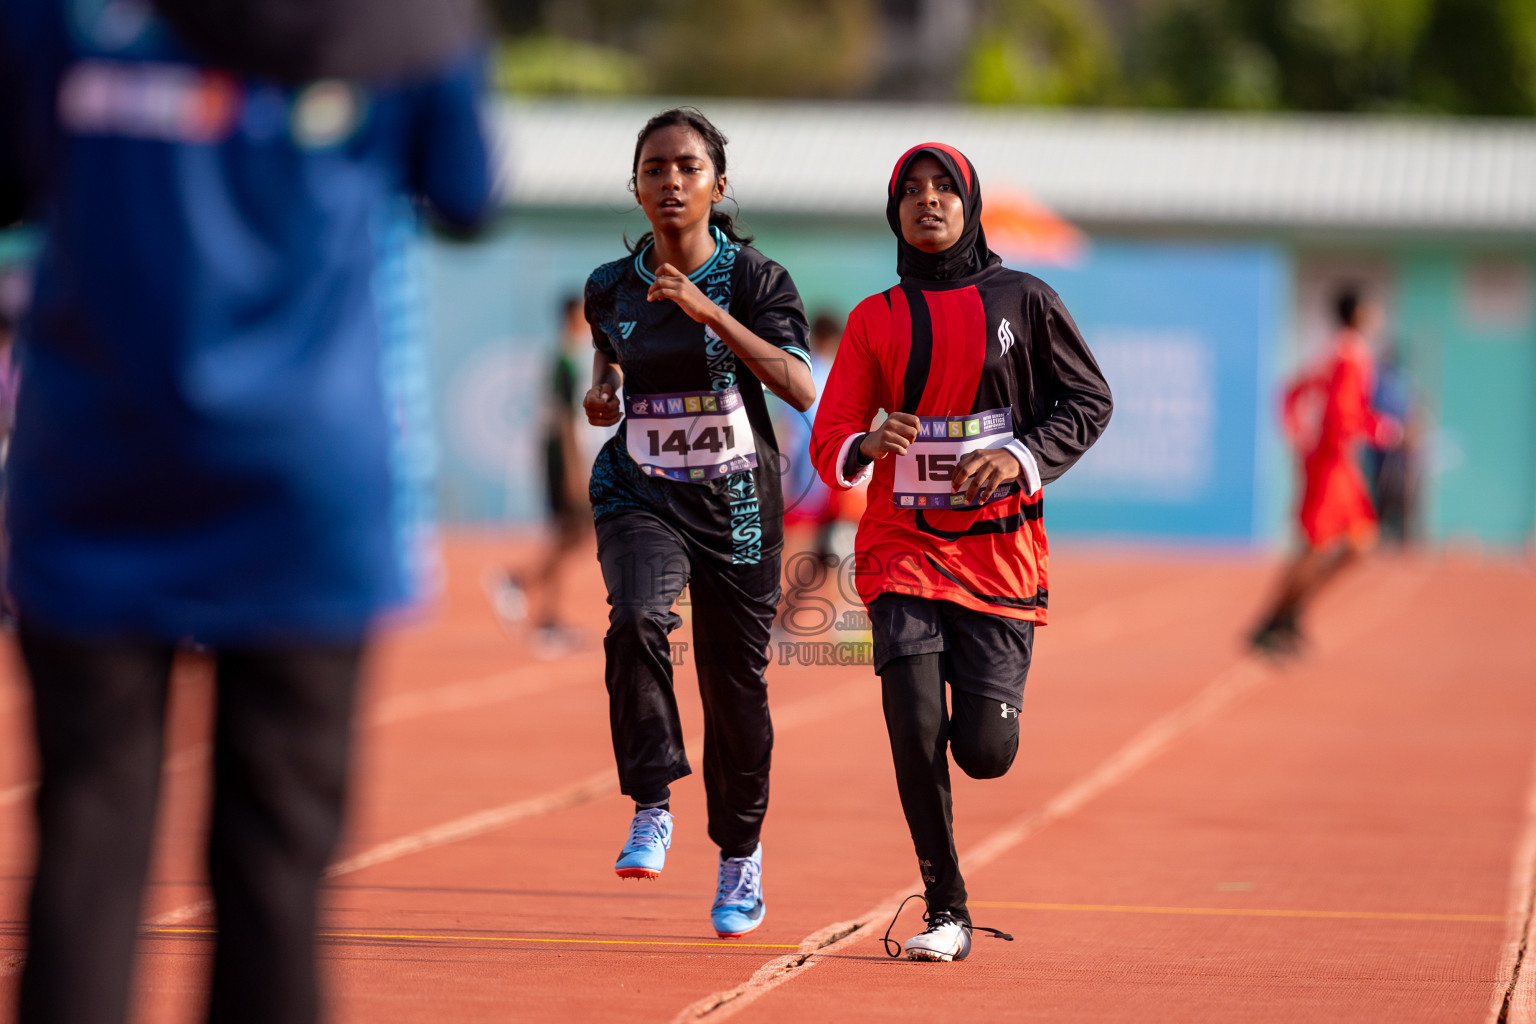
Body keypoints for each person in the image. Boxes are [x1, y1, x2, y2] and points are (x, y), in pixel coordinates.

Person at [0, 1, 491, 1021]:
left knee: (87, 837)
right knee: (276, 868)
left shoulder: (58, 14)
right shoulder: (407, 22)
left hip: (97, 471)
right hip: (305, 483)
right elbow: (465, 192)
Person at [810, 143, 1112, 962]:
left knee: (983, 753)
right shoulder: (878, 319)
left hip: (998, 559)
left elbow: (1090, 400)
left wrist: (1017, 457)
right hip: (901, 548)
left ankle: (987, 725)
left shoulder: (1026, 299)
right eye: (912, 191)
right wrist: (869, 441)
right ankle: (947, 907)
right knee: (912, 727)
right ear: (894, 211)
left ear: (970, 204)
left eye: (945, 188)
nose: (929, 201)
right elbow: (831, 433)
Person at [582, 107, 814, 938]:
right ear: (636, 187)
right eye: (654, 169)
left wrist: (709, 312)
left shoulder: (756, 280)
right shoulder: (607, 287)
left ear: (717, 182)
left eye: (687, 167)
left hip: (736, 507)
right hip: (640, 491)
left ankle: (739, 854)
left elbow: (798, 386)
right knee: (638, 617)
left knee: (734, 688)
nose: (670, 182)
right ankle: (651, 800)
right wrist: (605, 388)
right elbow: (613, 355)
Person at [1251, 287, 1401, 654]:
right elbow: (1340, 413)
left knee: (1356, 542)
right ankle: (1277, 620)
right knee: (1319, 545)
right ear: (1360, 314)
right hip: (1332, 462)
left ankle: (1287, 615)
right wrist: (1378, 429)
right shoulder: (1350, 355)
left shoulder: (1336, 351)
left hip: (1332, 461)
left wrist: (1298, 434)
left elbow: (1295, 392)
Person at [484, 294, 594, 654]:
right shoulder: (565, 362)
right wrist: (574, 471)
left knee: (573, 534)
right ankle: (535, 604)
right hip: (563, 460)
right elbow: (563, 423)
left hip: (566, 458)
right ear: (569, 317)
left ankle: (528, 594)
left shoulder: (571, 359)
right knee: (571, 531)